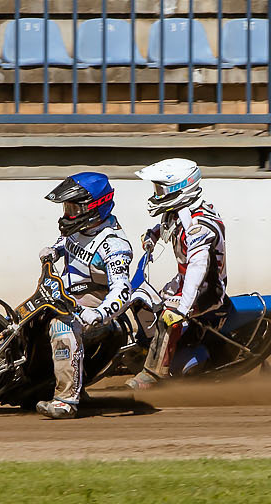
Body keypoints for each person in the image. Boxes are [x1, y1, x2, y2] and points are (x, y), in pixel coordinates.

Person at [35, 171, 137, 420]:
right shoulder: (79, 227)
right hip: (64, 295)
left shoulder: (114, 245)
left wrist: (99, 314)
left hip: (93, 305)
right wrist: (55, 251)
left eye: (73, 208)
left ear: (94, 208)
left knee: (62, 327)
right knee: (21, 318)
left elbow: (123, 290)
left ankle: (65, 401)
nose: (67, 214)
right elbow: (67, 242)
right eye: (66, 207)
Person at [129, 157, 226, 392]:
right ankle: (151, 347)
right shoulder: (177, 213)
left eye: (161, 188)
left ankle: (154, 373)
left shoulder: (198, 226)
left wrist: (182, 308)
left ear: (180, 189)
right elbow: (165, 227)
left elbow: (198, 267)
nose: (157, 193)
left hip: (205, 288)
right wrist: (152, 236)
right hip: (184, 281)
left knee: (167, 316)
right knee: (141, 301)